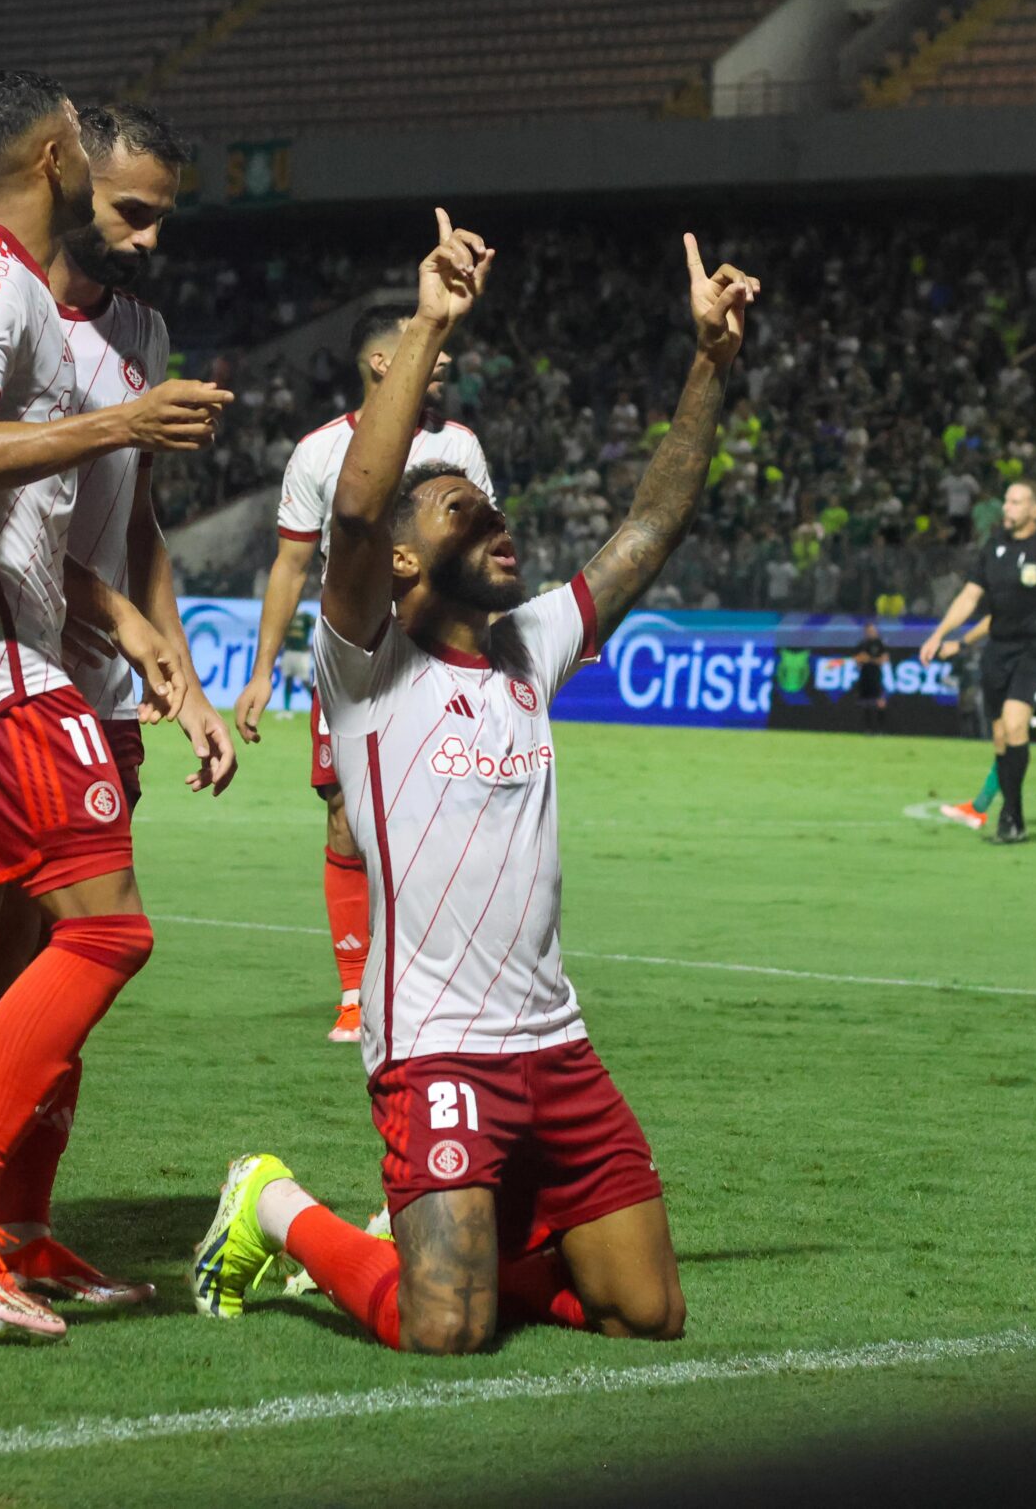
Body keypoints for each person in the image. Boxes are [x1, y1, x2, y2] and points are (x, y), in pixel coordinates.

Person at [192, 217, 752, 1353]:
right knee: (445, 1329)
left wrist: (708, 363)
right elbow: (352, 513)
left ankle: (486, 1244)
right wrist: (430, 327)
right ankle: (273, 1205)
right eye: (465, 514)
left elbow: (651, 522)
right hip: (437, 1046)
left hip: (555, 1043)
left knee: (648, 1314)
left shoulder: (530, 646)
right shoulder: (366, 664)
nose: (501, 524)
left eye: (495, 510)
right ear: (403, 560)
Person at [0, 70, 231, 1338]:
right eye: (130, 200)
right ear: (64, 155)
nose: (148, 233)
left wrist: (139, 633)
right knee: (97, 936)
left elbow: (100, 525)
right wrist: (116, 423)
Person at [231, 306, 492, 1042]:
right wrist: (259, 672)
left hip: (437, 652)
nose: (443, 357)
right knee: (345, 818)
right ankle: (355, 991)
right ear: (384, 363)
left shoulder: (459, 446)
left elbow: (486, 550)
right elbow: (288, 563)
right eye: (428, 346)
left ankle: (434, 979)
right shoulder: (319, 452)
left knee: (442, 811)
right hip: (351, 659)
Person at [918, 483, 1036, 845]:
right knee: (1001, 736)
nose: (1007, 508)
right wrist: (940, 634)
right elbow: (971, 597)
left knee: (1016, 724)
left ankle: (1014, 819)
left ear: (1035, 510)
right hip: (997, 652)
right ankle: (1011, 813)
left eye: (1016, 502)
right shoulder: (993, 548)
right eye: (1006, 501)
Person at [933, 601, 1036, 836]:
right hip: (1034, 669)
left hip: (1035, 671)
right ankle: (979, 808)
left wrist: (961, 643)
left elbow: (999, 617)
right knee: (1017, 739)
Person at [850, 621, 891, 728]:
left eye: (873, 630)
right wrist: (861, 659)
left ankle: (881, 729)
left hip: (876, 676)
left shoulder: (880, 644)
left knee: (880, 702)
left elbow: (884, 659)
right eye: (869, 631)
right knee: (865, 703)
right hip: (864, 676)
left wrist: (869, 659)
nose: (871, 632)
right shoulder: (862, 644)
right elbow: (856, 659)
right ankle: (868, 729)